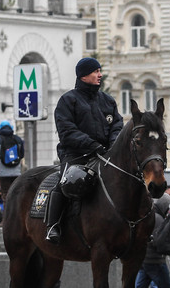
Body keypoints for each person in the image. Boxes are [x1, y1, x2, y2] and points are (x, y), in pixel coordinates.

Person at [45, 57, 123, 244]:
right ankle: (53, 225)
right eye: (96, 71)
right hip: (75, 154)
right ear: (83, 76)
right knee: (66, 182)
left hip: (105, 153)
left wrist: (111, 145)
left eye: (99, 71)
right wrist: (91, 145)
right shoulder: (68, 100)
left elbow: (117, 125)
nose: (100, 75)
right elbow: (67, 131)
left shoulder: (108, 100)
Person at [135, 194, 170, 288]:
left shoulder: (147, 216)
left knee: (140, 285)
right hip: (155, 260)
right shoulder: (159, 219)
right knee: (165, 285)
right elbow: (159, 240)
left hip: (144, 259)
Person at [0, 121, 24, 201]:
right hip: (16, 171)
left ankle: (7, 212)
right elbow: (22, 155)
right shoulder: (18, 139)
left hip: (2, 172)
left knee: (5, 193)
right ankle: (16, 211)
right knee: (15, 193)